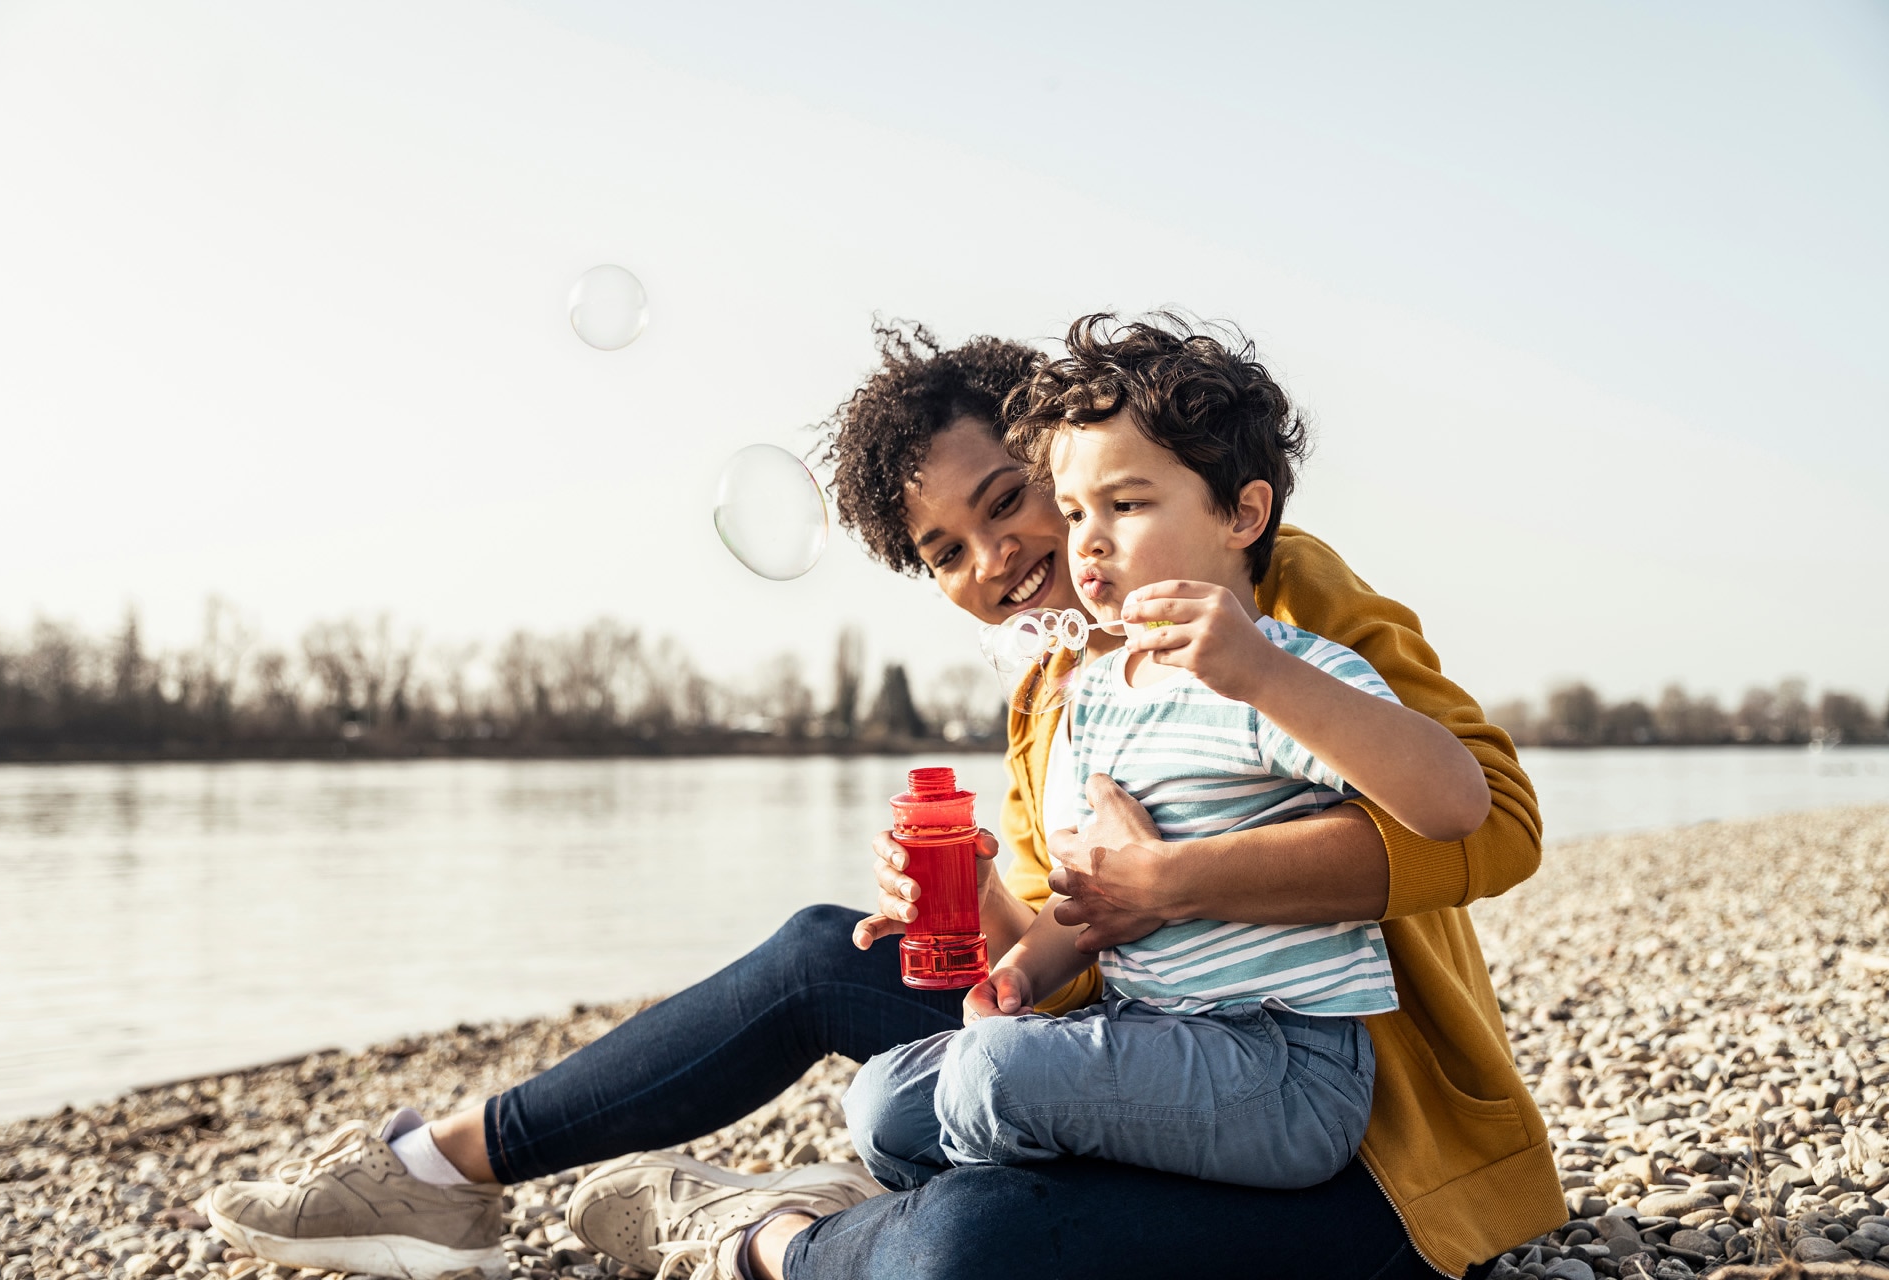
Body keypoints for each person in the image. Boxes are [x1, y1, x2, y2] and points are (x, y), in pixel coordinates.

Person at [205, 320, 1564, 1280]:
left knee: (978, 1247)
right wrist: (981, 902)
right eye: (947, 552)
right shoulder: (1055, 696)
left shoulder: (1260, 595)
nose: (1006, 558)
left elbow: (1490, 823)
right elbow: (1082, 961)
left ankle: (756, 1236)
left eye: (1012, 499)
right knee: (821, 952)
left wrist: (1176, 883)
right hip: (1164, 1053)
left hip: (1346, 1127)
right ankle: (435, 1172)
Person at [840, 314, 1492, 1195]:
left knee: (987, 1082)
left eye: (1126, 506)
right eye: (1076, 512)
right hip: (1156, 1030)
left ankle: (969, 1216)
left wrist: (1260, 674)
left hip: (1283, 1060)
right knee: (883, 1103)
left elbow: (1462, 808)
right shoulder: (1081, 697)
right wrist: (1014, 970)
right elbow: (1087, 907)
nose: (1087, 541)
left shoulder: (1278, 659)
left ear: (1243, 515)